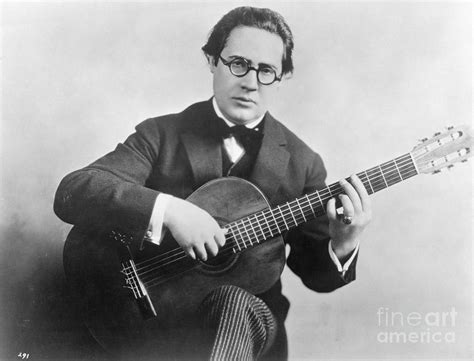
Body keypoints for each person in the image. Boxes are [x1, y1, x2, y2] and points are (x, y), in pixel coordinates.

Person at [54, 6, 371, 360]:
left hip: (247, 329)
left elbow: (317, 276)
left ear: (281, 78)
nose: (250, 82)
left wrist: (344, 244)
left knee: (233, 300)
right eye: (238, 63)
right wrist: (171, 211)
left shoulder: (304, 162)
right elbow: (74, 191)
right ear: (211, 61)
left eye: (266, 71)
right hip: (154, 323)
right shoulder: (161, 135)